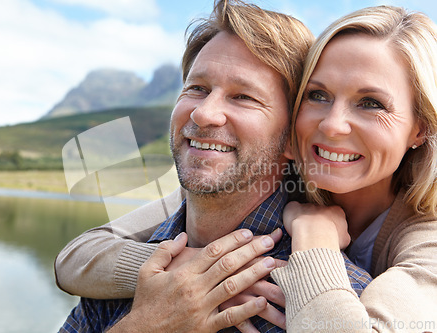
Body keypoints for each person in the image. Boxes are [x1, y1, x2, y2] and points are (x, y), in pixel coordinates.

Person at [56, 1, 371, 332]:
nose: (203, 113)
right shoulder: (120, 273)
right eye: (197, 88)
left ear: (294, 140)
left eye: (243, 97)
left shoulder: (339, 301)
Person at [269, 5, 437, 331]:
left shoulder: (429, 240)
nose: (333, 125)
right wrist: (193, 274)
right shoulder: (268, 178)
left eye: (371, 103)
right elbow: (141, 239)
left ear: (420, 129)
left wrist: (315, 239)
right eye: (317, 95)